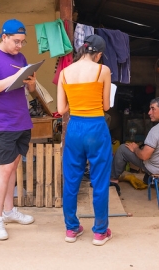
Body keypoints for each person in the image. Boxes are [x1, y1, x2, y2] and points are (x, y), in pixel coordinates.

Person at [0, 19, 36, 241]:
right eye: (16, 41)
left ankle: (10, 211)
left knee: (12, 168)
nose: (20, 46)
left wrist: (30, 82)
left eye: (22, 41)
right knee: (4, 170)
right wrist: (13, 77)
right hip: (1, 123)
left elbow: (27, 88)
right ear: (4, 37)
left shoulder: (20, 57)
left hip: (21, 119)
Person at [57, 34, 113, 246]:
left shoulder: (64, 73)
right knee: (99, 180)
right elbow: (106, 106)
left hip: (75, 128)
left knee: (72, 179)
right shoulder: (102, 70)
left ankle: (71, 229)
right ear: (98, 54)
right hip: (96, 127)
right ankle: (100, 232)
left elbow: (61, 109)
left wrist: (76, 100)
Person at [110, 97, 159, 184]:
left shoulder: (156, 130)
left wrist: (135, 148)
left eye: (153, 109)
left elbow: (144, 156)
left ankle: (113, 179)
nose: (149, 112)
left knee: (122, 149)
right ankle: (148, 180)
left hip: (157, 169)